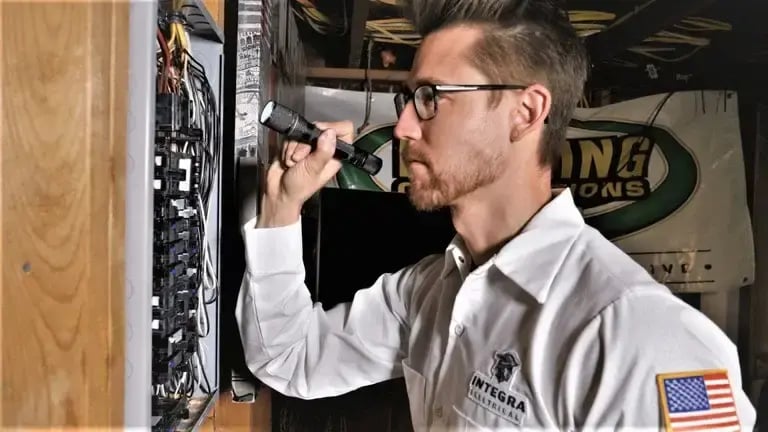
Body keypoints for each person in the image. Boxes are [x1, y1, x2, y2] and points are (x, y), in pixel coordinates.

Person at [235, 0, 757, 429]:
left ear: (525, 112)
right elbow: (291, 359)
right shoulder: (430, 293)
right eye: (408, 99)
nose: (403, 129)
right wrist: (282, 209)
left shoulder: (644, 336)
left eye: (431, 98)